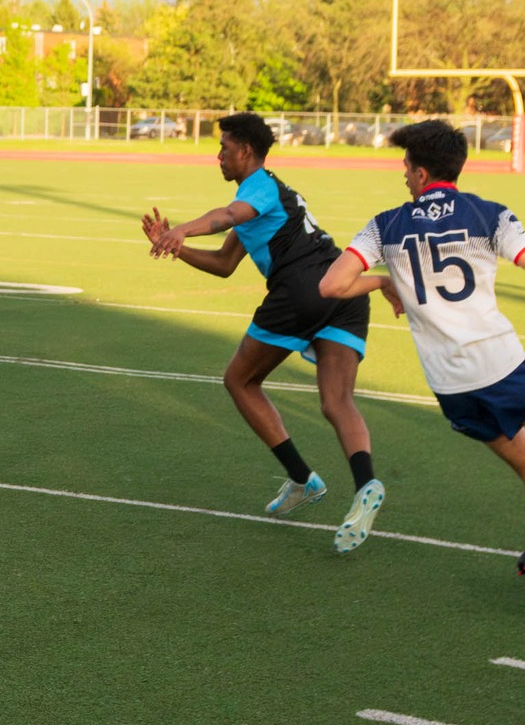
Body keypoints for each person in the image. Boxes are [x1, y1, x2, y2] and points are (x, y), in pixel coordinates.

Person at [142, 111, 385, 553]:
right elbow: (224, 263)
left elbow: (226, 215)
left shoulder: (258, 188)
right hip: (343, 288)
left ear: (246, 151)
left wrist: (181, 229)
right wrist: (175, 246)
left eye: (224, 148)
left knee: (239, 380)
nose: (219, 156)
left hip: (301, 290)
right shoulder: (268, 198)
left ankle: (302, 478)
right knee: (337, 401)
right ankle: (366, 483)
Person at [321, 119, 525, 574]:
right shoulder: (490, 214)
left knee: (519, 453)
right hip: (503, 365)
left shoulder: (384, 225)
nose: (403, 175)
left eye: (406, 166)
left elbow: (331, 286)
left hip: (451, 387)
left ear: (421, 173)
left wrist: (382, 281)